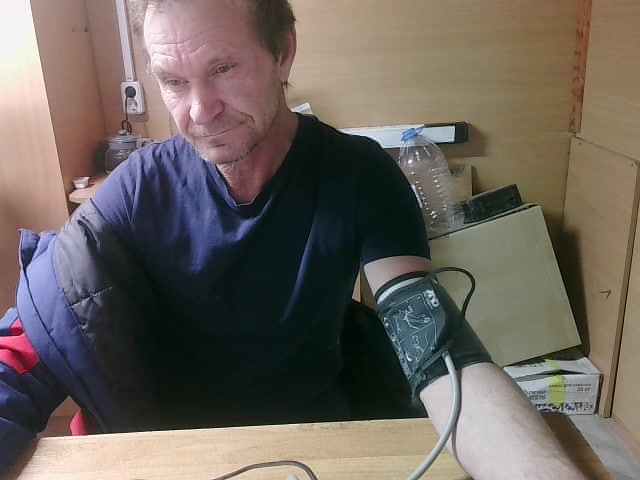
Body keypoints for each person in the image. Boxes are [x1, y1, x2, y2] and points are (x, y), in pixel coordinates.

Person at [0, 1, 589, 478]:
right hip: (176, 449)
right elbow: (44, 330)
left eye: (223, 69)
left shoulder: (359, 176)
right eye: (173, 81)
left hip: (318, 439)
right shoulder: (137, 189)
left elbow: (437, 350)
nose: (200, 110)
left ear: (283, 52)